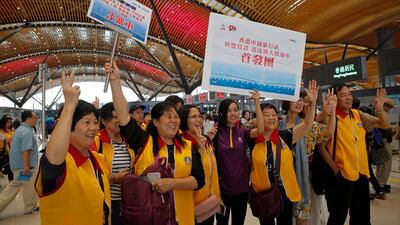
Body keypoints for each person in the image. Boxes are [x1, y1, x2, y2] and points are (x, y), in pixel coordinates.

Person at [107, 61, 205, 225]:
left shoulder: (188, 145)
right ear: (156, 122)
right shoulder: (144, 142)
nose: (174, 121)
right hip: (150, 218)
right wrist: (115, 82)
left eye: (176, 117)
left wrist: (172, 184)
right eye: (169, 117)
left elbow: (199, 180)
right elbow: (124, 115)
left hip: (184, 218)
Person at [34, 71, 111, 225]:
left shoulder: (97, 159)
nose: (93, 128)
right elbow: (53, 159)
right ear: (69, 126)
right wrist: (69, 107)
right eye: (86, 122)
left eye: (95, 122)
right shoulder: (62, 162)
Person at [251, 80, 318, 225]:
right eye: (266, 115)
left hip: (285, 191)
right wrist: (256, 103)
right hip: (263, 194)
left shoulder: (285, 136)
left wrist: (312, 104)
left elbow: (306, 124)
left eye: (273, 114)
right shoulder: (252, 140)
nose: (271, 118)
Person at [323, 84, 390, 225]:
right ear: (335, 98)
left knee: (362, 218)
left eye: (349, 94)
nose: (348, 98)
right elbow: (321, 146)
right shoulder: (330, 116)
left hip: (362, 175)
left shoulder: (357, 114)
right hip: (341, 177)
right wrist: (335, 169)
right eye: (343, 95)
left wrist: (379, 109)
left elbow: (384, 124)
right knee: (337, 217)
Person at [213, 90, 264, 225]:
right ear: (222, 113)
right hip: (222, 191)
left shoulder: (243, 132)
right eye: (229, 110)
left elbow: (260, 130)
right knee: (221, 223)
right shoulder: (216, 134)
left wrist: (257, 103)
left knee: (238, 222)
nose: (233, 113)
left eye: (235, 110)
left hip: (241, 190)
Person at [179, 105, 221, 225]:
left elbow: (213, 171)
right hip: (191, 206)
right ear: (183, 120)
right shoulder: (182, 144)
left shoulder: (206, 140)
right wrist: (198, 147)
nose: (198, 120)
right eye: (193, 117)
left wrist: (217, 195)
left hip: (208, 203)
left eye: (199, 116)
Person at [96, 102, 135, 225]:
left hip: (131, 201)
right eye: (115, 116)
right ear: (104, 121)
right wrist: (113, 178)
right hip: (107, 203)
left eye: (122, 116)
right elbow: (90, 175)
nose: (120, 120)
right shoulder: (97, 142)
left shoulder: (130, 141)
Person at [0, 110, 39, 214]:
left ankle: (31, 206)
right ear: (28, 118)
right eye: (35, 117)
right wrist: (26, 165)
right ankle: (30, 207)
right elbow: (25, 150)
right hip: (24, 167)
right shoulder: (26, 132)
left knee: (17, 186)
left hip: (19, 166)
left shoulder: (20, 130)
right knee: (27, 187)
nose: (36, 119)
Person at [374, 98, 395, 195]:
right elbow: (386, 129)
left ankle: (379, 183)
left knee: (380, 163)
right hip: (383, 141)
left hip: (377, 142)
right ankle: (381, 185)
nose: (390, 109)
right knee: (386, 163)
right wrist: (392, 131)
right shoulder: (381, 113)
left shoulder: (376, 112)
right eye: (389, 107)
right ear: (385, 105)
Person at [0, 115, 14, 181]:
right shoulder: (1, 132)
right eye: (7, 122)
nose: (9, 124)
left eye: (10, 122)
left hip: (14, 152)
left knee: (12, 168)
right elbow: (3, 143)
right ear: (3, 122)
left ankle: (12, 182)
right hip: (6, 153)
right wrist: (9, 140)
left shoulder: (12, 130)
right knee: (8, 167)